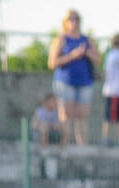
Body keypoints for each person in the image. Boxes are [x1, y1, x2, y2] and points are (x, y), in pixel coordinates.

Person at [47, 9, 100, 147]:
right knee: (66, 115)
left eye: (76, 19)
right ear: (65, 22)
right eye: (71, 19)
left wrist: (86, 52)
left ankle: (82, 147)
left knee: (82, 116)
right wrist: (72, 55)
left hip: (84, 82)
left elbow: (98, 58)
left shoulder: (86, 39)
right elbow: (52, 63)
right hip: (65, 82)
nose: (74, 22)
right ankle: (64, 145)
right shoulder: (61, 39)